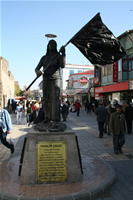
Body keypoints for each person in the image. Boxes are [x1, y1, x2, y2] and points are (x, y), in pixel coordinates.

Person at [35, 39, 65, 122]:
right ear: (48, 46)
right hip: (46, 79)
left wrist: (63, 54)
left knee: (55, 98)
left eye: (54, 43)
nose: (52, 44)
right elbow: (37, 68)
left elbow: (62, 65)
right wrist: (38, 72)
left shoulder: (58, 56)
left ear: (56, 45)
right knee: (46, 98)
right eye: (50, 43)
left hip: (55, 79)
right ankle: (47, 117)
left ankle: (55, 119)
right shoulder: (44, 58)